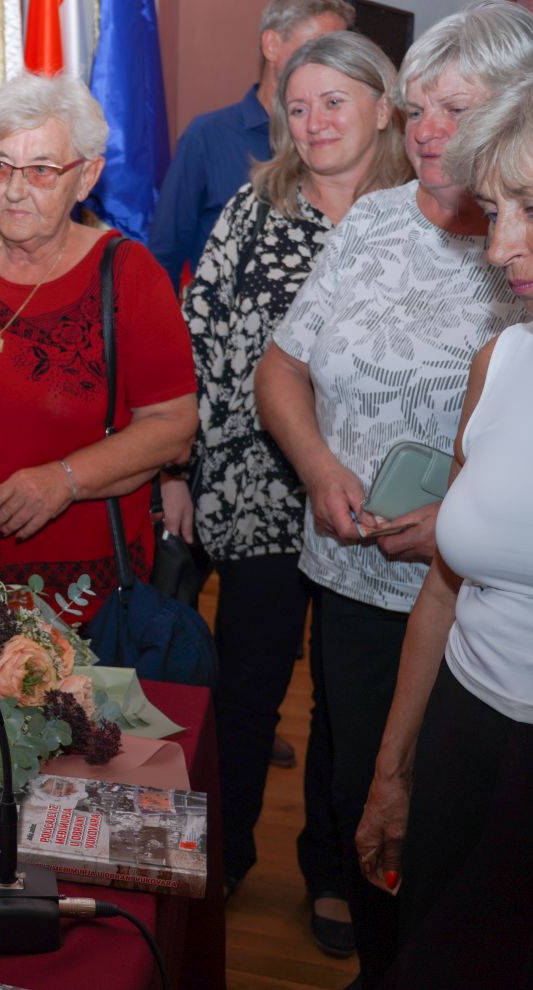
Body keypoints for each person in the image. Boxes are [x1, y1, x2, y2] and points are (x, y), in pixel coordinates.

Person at [254, 5, 533, 984]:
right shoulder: (373, 220)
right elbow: (279, 368)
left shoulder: (514, 263)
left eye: (451, 109)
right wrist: (321, 465)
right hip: (357, 578)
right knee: (364, 790)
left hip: (473, 602)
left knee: (465, 865)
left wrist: (454, 519)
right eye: (414, 108)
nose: (422, 130)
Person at [163, 31, 409, 956]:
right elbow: (198, 347)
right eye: (295, 107)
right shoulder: (251, 211)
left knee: (350, 703)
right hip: (255, 491)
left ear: (382, 108)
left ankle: (331, 869)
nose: (311, 123)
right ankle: (221, 854)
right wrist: (179, 474)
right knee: (250, 688)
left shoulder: (426, 218)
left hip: (380, 508)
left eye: (332, 103)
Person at [0, 73, 198, 623]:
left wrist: (64, 480)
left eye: (42, 170)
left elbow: (173, 424)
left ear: (86, 176)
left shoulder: (128, 277)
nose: (15, 189)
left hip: (78, 597)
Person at [354, 75, 533, 988]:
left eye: (528, 208)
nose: (500, 247)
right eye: (496, 210)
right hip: (468, 729)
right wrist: (392, 772)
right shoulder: (501, 362)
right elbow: (444, 587)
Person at [150, 0, 353, 290]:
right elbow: (163, 257)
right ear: (271, 45)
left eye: (339, 50)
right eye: (318, 47)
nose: (332, 62)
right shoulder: (207, 137)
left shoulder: (342, 141)